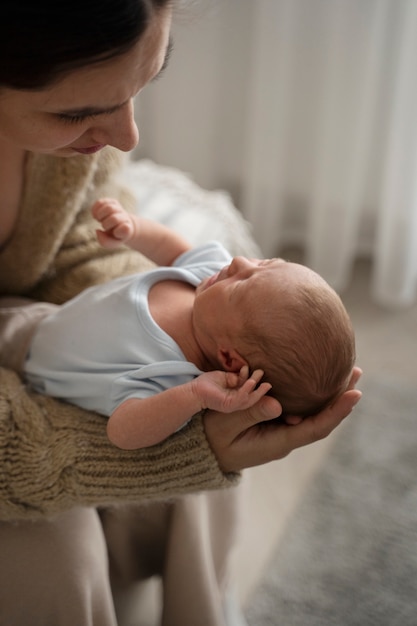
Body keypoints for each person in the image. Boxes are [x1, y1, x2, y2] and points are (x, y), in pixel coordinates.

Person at [0, 1, 362, 625]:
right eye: (78, 112)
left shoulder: (91, 151)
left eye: (145, 83)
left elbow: (89, 247)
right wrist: (192, 445)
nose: (128, 138)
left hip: (44, 331)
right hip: (26, 341)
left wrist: (167, 350)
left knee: (210, 474)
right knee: (65, 549)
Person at [24, 198, 356, 451]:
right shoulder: (210, 275)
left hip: (40, 384)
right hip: (44, 317)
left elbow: (123, 433)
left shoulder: (172, 376)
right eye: (266, 262)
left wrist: (194, 396)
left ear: (228, 360)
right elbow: (171, 249)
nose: (239, 261)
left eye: (241, 285)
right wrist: (133, 229)